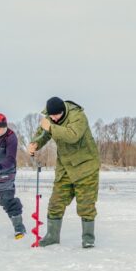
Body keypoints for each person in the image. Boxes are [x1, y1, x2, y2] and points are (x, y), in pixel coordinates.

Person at [27, 97, 100, 249]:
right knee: (55, 203)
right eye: (51, 116)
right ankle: (52, 237)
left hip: (85, 166)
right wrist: (35, 144)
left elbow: (72, 136)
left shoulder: (78, 116)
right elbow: (43, 134)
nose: (53, 118)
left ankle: (88, 239)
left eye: (56, 116)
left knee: (86, 205)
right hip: (65, 168)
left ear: (63, 111)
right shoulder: (50, 117)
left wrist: (51, 127)